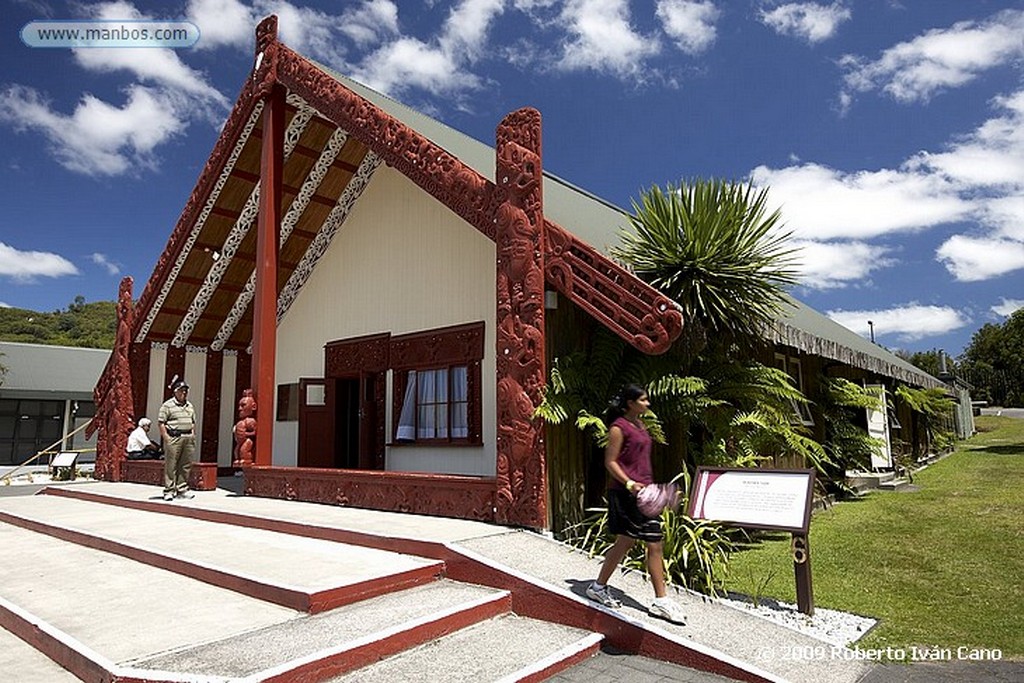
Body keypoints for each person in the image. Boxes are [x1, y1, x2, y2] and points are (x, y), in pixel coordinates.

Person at [585, 383, 687, 625]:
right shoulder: (618, 428)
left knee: (642, 542)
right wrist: (629, 483)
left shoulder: (641, 425)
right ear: (630, 403)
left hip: (645, 495)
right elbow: (610, 462)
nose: (647, 404)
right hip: (626, 494)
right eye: (643, 400)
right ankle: (605, 588)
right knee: (637, 542)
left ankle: (654, 599)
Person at [158, 377, 196, 501]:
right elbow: (161, 423)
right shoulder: (168, 405)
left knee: (185, 465)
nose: (184, 393)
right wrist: (166, 438)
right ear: (175, 391)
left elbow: (193, 421)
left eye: (185, 390)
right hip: (174, 437)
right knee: (171, 465)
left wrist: (192, 434)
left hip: (188, 437)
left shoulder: (189, 405)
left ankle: (182, 489)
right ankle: (169, 490)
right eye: (181, 390)